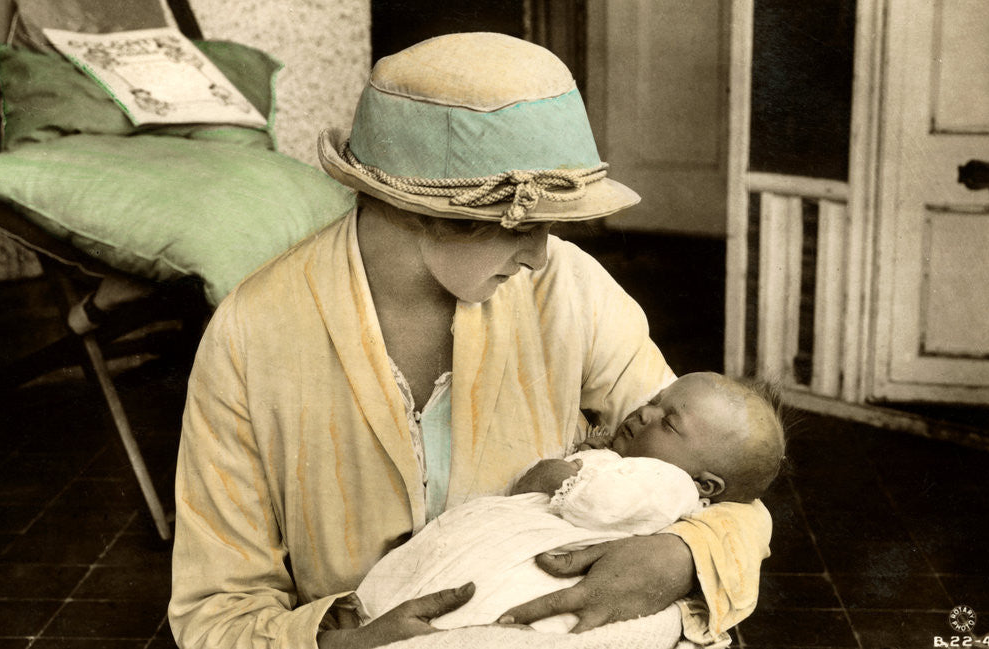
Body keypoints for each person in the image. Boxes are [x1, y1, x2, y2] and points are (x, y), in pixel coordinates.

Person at [168, 32, 773, 649]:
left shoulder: (570, 290)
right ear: (421, 209)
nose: (541, 256)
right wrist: (335, 644)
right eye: (524, 227)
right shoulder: (254, 334)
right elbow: (217, 609)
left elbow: (720, 474)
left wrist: (679, 557)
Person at [353, 372, 785, 640]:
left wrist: (559, 474)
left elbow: (603, 500)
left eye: (668, 422)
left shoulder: (671, 483)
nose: (644, 413)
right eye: (654, 401)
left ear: (706, 484)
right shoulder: (646, 465)